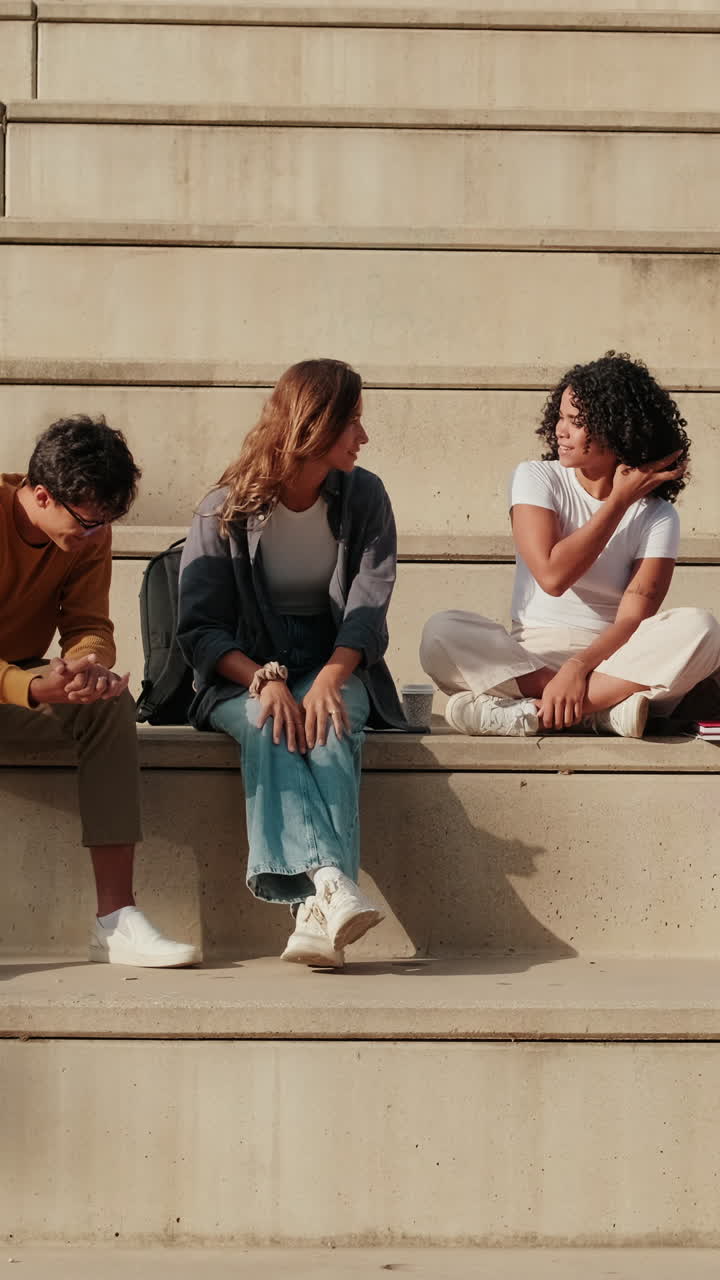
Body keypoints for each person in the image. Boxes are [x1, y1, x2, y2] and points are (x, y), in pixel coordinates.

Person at [177, 358, 407, 968]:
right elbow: (198, 629)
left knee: (330, 726)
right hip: (242, 667)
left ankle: (312, 918)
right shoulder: (222, 508)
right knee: (267, 723)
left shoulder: (365, 496)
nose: (364, 437)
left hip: (334, 657)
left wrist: (333, 673)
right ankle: (330, 883)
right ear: (315, 425)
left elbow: (369, 597)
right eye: (353, 422)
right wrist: (260, 678)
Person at [421, 352, 720, 738]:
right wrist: (617, 503)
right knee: (441, 632)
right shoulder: (536, 478)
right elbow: (552, 575)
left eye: (577, 422)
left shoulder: (657, 515)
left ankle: (533, 716)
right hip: (530, 661)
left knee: (701, 628)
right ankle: (599, 713)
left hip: (615, 661)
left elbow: (633, 619)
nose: (561, 430)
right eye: (561, 416)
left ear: (618, 431)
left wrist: (580, 668)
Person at [1, 417, 199, 966]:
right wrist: (32, 686)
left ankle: (116, 921)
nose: (96, 534)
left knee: (109, 704)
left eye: (105, 523)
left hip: (17, 687)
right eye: (89, 522)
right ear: (42, 495)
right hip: (16, 684)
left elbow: (88, 621)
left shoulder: (89, 529)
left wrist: (88, 667)